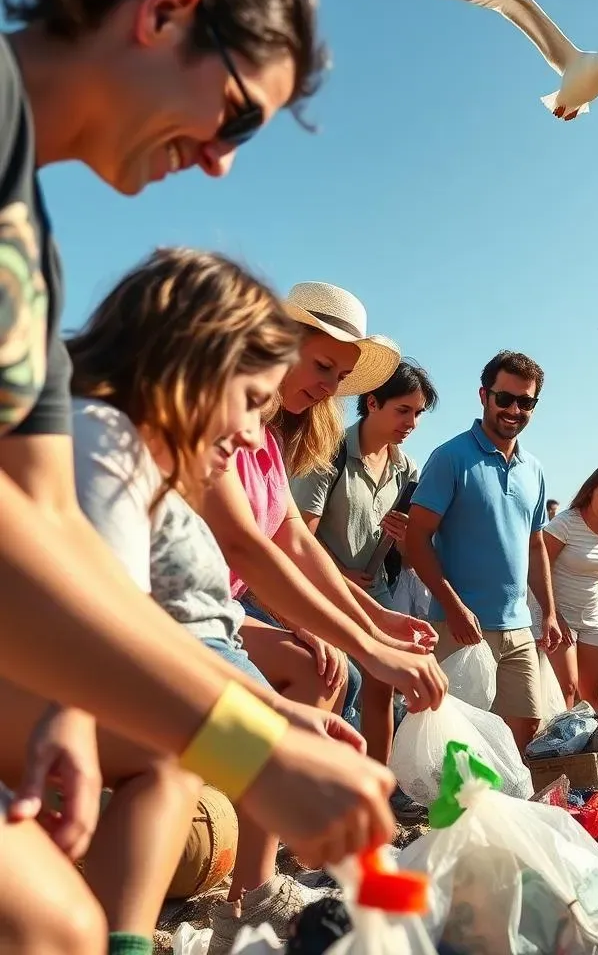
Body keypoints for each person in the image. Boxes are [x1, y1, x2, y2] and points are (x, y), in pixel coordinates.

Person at [0, 0, 394, 951]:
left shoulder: (26, 227)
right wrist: (247, 741)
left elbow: (51, 524)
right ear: (165, 10)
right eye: (237, 117)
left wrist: (245, 710)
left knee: (54, 927)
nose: (220, 159)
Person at [63, 250, 365, 952]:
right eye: (252, 404)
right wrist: (267, 752)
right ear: (191, 367)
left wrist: (279, 720)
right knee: (174, 752)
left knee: (180, 758)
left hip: (65, 709)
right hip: (50, 707)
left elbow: (163, 643)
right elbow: (127, 648)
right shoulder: (102, 444)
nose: (258, 434)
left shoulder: (138, 460)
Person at [200, 283, 448, 820]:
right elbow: (248, 547)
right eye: (323, 367)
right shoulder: (216, 415)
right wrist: (370, 642)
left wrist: (378, 620)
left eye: (339, 377)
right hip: (176, 614)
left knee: (322, 673)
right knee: (300, 702)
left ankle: (257, 873)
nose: (330, 388)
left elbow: (291, 538)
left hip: (214, 612)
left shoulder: (263, 440)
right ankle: (263, 823)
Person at [406, 351, 562, 753]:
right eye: (505, 398)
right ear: (483, 395)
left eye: (526, 402)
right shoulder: (450, 457)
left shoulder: (535, 469)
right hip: (460, 626)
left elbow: (535, 543)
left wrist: (549, 612)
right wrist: (452, 606)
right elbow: (416, 538)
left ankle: (499, 812)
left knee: (525, 733)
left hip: (518, 627)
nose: (514, 409)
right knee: (458, 740)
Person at [292, 360, 439, 765]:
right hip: (323, 589)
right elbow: (296, 535)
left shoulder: (406, 469)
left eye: (418, 413)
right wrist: (339, 575)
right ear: (372, 403)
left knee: (382, 687)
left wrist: (403, 538)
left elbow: (409, 557)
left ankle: (378, 781)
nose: (411, 422)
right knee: (334, 684)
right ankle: (323, 780)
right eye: (403, 410)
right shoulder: (327, 452)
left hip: (377, 591)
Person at [531, 464, 598, 710]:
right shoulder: (565, 523)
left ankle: (586, 745)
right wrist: (553, 615)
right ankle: (559, 746)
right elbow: (539, 568)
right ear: (590, 492)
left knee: (593, 695)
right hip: (557, 614)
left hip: (593, 616)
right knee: (568, 688)